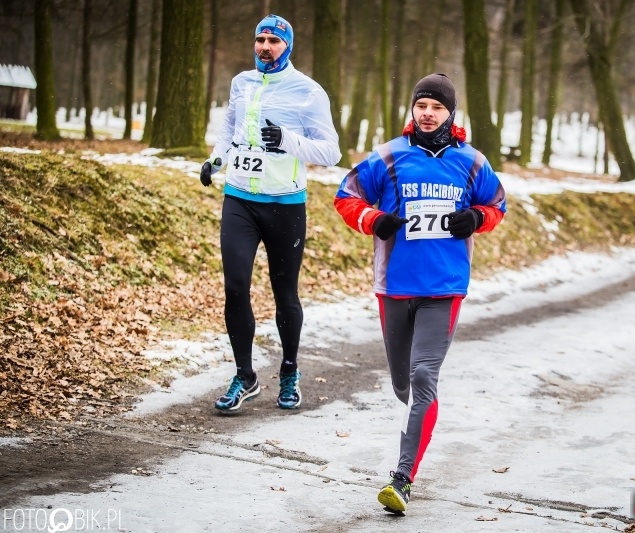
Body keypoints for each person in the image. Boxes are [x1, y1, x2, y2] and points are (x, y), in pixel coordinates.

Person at [333, 73, 506, 514]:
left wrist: (477, 218)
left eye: (437, 107)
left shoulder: (471, 162)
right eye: (421, 106)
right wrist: (373, 219)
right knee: (402, 383)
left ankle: (403, 478)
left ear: (451, 113)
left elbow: (497, 205)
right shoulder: (389, 156)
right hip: (395, 286)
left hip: (444, 288)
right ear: (413, 109)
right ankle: (418, 419)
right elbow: (346, 195)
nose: (428, 114)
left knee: (424, 377)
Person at [200, 14, 341, 412]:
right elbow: (230, 127)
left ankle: (290, 371)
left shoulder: (308, 92)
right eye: (260, 40)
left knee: (285, 294)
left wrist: (288, 141)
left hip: (285, 207)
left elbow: (331, 153)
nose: (265, 47)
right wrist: (216, 160)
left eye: (273, 41)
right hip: (240, 199)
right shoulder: (241, 82)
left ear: (288, 46)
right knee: (235, 286)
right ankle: (245, 375)